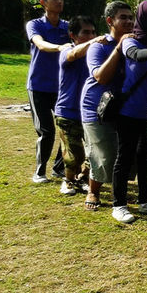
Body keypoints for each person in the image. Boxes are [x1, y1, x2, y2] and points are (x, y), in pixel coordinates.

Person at [110, 1, 147, 224]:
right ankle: (119, 204)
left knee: (146, 157)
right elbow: (136, 55)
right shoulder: (130, 40)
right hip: (128, 111)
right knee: (124, 157)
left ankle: (145, 201)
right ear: (144, 18)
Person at [79, 1, 133, 210]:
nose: (128, 21)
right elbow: (100, 77)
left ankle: (117, 191)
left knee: (120, 152)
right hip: (96, 108)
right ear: (110, 21)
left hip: (120, 107)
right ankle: (93, 191)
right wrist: (119, 48)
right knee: (103, 153)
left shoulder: (134, 44)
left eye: (131, 17)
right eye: (123, 18)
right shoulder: (99, 46)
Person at [25, 0, 69, 183]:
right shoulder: (34, 24)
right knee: (47, 131)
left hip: (62, 88)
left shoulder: (67, 27)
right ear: (43, 2)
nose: (59, 1)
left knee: (68, 129)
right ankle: (39, 172)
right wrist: (60, 48)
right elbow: (40, 44)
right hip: (38, 87)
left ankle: (59, 168)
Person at [55, 16, 103, 195]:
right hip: (68, 111)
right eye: (85, 33)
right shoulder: (67, 51)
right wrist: (96, 41)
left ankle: (82, 178)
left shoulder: (97, 54)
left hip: (91, 111)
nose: (91, 36)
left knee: (94, 152)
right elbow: (73, 55)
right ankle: (67, 180)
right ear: (73, 35)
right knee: (73, 153)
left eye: (93, 32)